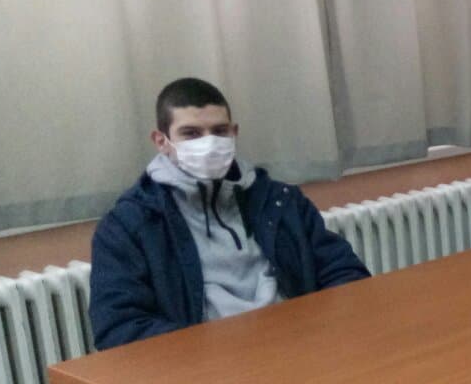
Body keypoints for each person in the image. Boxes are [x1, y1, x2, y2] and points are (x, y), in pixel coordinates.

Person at [89, 77, 369, 350]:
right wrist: (209, 351)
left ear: (234, 133)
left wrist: (322, 330)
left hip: (298, 346)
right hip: (208, 363)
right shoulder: (129, 225)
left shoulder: (279, 201)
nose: (209, 143)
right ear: (161, 141)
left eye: (219, 131)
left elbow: (345, 271)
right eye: (191, 134)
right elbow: (119, 326)